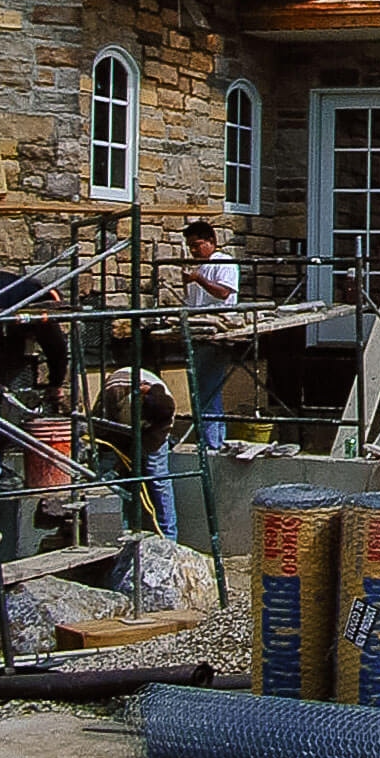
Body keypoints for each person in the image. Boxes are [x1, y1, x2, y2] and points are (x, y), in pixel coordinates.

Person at [0, 269, 68, 487]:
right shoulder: (41, 302)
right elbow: (56, 347)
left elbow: (3, 341)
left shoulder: (14, 290)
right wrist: (56, 384)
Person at [96, 367, 177, 541]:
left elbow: (152, 444)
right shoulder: (115, 391)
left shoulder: (165, 409)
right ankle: (117, 535)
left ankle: (169, 537)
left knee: (157, 476)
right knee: (110, 478)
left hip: (146, 431)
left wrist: (135, 455)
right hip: (113, 425)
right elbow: (100, 429)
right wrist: (116, 464)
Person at [181, 221, 238, 450]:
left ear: (211, 242)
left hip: (216, 334)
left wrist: (198, 280)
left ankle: (212, 442)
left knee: (209, 389)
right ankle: (208, 439)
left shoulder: (223, 262)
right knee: (200, 389)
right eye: (190, 246)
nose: (193, 250)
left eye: (197, 245)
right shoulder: (199, 268)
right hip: (198, 333)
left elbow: (224, 293)